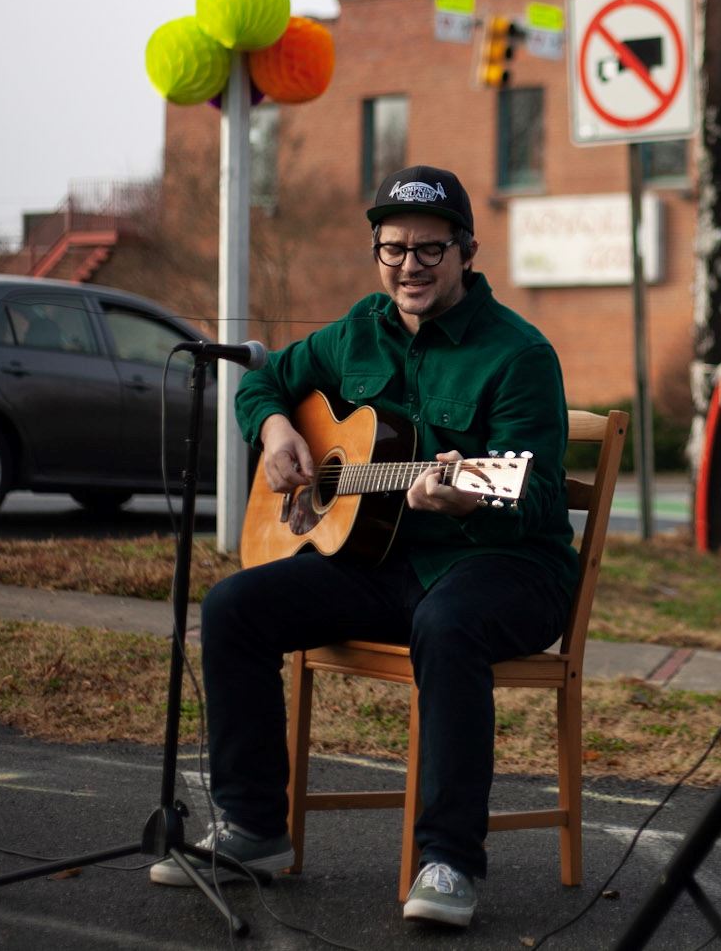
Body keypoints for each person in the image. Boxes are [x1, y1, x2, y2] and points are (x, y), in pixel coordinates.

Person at [151, 165, 573, 929]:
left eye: (430, 249)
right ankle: (253, 829)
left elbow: (537, 491)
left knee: (446, 625)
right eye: (393, 247)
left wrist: (470, 488)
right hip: (384, 564)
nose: (409, 264)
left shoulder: (519, 354)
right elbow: (264, 384)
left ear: (468, 250)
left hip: (506, 567)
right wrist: (276, 430)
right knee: (234, 606)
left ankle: (448, 860)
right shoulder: (356, 330)